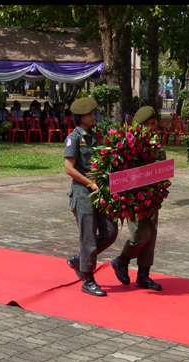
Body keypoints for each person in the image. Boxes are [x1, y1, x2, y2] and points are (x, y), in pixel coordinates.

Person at [64, 97, 118, 296]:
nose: (94, 116)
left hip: (98, 192)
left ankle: (79, 260)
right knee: (88, 238)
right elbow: (68, 168)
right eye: (90, 114)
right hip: (82, 192)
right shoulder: (74, 138)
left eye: (94, 113)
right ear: (80, 117)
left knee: (110, 233)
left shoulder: (95, 137)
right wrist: (90, 183)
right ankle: (88, 279)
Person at [110, 106, 164, 292]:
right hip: (133, 199)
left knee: (151, 236)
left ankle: (143, 275)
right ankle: (121, 260)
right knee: (141, 235)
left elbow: (162, 169)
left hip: (152, 198)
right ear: (138, 126)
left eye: (152, 123)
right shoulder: (129, 145)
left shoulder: (157, 145)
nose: (151, 128)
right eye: (146, 125)